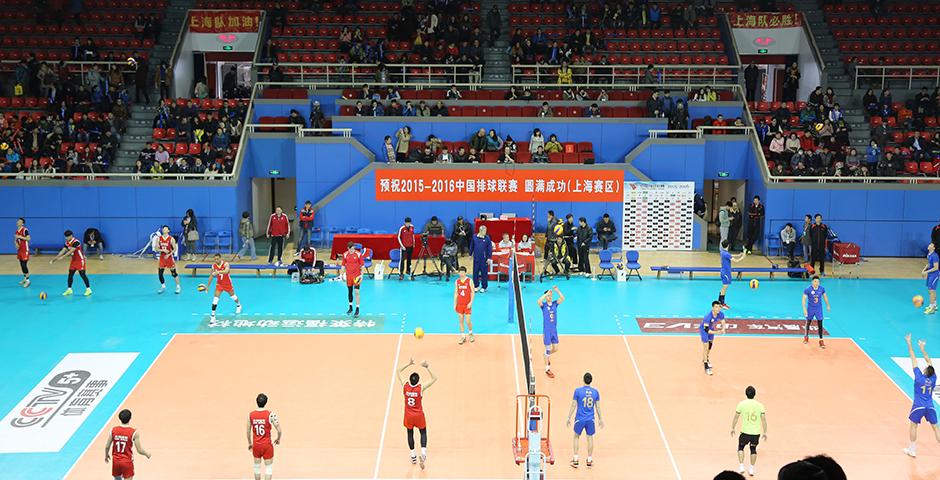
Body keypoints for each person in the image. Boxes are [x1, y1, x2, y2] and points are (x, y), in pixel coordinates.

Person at [397, 358, 438, 469]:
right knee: (423, 432)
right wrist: (427, 366)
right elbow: (435, 378)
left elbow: (398, 371)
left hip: (408, 416)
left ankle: (413, 456)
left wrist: (409, 363)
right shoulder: (421, 388)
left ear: (409, 380)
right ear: (418, 381)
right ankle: (423, 453)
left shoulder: (405, 386)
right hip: (419, 415)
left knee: (410, 433)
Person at [903, 334, 939, 458]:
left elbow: (913, 358)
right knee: (936, 428)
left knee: (913, 426)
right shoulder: (934, 378)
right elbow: (929, 361)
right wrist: (923, 348)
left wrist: (909, 343)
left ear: (924, 371)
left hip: (918, 406)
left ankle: (912, 449)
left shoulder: (919, 377)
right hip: (930, 406)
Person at [566, 372, 604, 468]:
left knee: (576, 437)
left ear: (583, 380)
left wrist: (568, 417)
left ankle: (575, 459)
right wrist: (600, 419)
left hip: (580, 419)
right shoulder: (596, 392)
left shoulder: (578, 391)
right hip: (590, 419)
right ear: (591, 381)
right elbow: (598, 407)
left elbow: (574, 404)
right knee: (590, 438)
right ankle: (589, 460)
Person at [730, 386, 767, 477]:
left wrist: (733, 428)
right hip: (755, 433)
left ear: (746, 394)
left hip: (745, 432)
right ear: (755, 394)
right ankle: (751, 468)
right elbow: (763, 420)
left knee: (741, 448)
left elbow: (736, 417)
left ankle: (741, 466)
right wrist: (765, 432)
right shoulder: (760, 405)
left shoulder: (741, 404)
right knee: (753, 450)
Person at [105, 409, 151, 480]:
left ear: (120, 418)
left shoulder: (113, 430)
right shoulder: (134, 432)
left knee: (117, 478)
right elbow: (139, 450)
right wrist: (147, 454)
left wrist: (106, 455)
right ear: (130, 418)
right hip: (127, 462)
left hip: (116, 461)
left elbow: (107, 446)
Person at [247, 393, 282, 480]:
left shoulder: (250, 415)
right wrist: (278, 439)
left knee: (257, 468)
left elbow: (248, 431)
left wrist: (250, 443)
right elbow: (279, 430)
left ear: (256, 402)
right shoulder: (271, 415)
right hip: (267, 446)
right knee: (268, 468)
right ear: (266, 402)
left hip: (256, 445)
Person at [50, 230, 91, 296]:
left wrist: (63, 257)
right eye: (65, 237)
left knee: (82, 274)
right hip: (73, 261)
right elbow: (63, 251)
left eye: (67, 236)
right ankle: (69, 289)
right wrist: (55, 258)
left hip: (80, 260)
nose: (66, 238)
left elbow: (71, 251)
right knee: (70, 275)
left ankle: (88, 289)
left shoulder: (76, 242)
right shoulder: (67, 243)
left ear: (71, 236)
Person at [537, 286, 565, 378]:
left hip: (554, 331)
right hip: (547, 331)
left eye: (551, 296)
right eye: (549, 296)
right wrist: (545, 294)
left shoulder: (554, 304)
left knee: (556, 348)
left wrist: (557, 290)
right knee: (548, 349)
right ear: (546, 296)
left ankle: (546, 355)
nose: (550, 297)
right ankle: (547, 368)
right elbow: (538, 301)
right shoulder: (543, 306)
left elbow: (562, 298)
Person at [207, 253, 242, 319]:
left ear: (220, 258)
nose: (216, 260)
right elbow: (211, 276)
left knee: (233, 296)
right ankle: (213, 315)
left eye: (217, 259)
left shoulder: (226, 264)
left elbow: (226, 271)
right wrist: (207, 286)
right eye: (215, 259)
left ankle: (239, 305)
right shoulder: (213, 266)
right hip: (219, 284)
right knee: (215, 299)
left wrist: (218, 272)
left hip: (227, 283)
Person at [801, 275, 831, 348]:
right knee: (808, 322)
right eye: (815, 281)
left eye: (818, 282)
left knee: (820, 324)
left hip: (818, 309)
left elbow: (825, 297)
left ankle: (821, 340)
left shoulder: (822, 289)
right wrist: (804, 309)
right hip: (810, 308)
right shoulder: (807, 289)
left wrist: (828, 305)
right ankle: (806, 336)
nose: (816, 283)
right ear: (812, 282)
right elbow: (804, 299)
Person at [701, 301, 727, 375]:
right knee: (705, 346)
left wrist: (723, 329)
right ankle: (706, 366)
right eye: (716, 307)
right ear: (712, 308)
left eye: (719, 307)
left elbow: (723, 321)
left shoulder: (720, 314)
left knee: (710, 344)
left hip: (711, 329)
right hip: (704, 330)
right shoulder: (708, 316)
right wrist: (717, 332)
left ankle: (706, 358)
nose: (718, 308)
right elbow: (706, 329)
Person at [717, 240, 746, 309]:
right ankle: (722, 304)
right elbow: (736, 261)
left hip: (724, 272)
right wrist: (743, 255)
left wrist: (738, 255)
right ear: (728, 245)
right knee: (725, 288)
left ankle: (719, 302)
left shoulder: (722, 252)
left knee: (723, 288)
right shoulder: (726, 254)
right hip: (726, 273)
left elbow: (730, 255)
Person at [340, 242, 364, 318]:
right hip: (348, 276)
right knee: (349, 291)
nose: (353, 250)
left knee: (357, 292)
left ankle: (357, 309)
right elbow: (343, 265)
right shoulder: (345, 254)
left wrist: (361, 275)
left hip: (356, 276)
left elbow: (362, 265)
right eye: (351, 249)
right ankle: (350, 307)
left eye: (354, 248)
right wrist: (341, 275)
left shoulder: (358, 254)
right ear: (348, 248)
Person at [156, 225, 180, 294]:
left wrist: (169, 254)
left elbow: (175, 249)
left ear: (168, 230)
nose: (164, 230)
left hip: (169, 258)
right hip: (162, 258)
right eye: (163, 229)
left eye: (165, 229)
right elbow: (156, 248)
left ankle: (178, 287)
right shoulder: (159, 238)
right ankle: (163, 286)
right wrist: (163, 250)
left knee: (174, 273)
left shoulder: (171, 239)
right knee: (160, 273)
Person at [454, 266, 474, 344]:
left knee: (468, 321)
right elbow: (456, 293)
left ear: (465, 273)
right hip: (459, 304)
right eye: (460, 272)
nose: (461, 274)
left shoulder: (469, 281)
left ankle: (471, 333)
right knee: (461, 320)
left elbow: (472, 292)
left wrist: (471, 302)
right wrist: (455, 304)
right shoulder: (457, 282)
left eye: (463, 272)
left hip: (467, 304)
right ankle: (463, 336)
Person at [469, 225, 492, 292]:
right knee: (475, 272)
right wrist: (470, 254)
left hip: (484, 259)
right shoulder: (474, 237)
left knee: (484, 273)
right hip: (476, 258)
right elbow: (472, 246)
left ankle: (484, 287)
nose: (485, 232)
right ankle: (476, 286)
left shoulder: (487, 238)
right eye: (484, 231)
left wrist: (489, 257)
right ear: (480, 231)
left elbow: (489, 248)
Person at [922, 243, 939, 314]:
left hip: (934, 275)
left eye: (931, 245)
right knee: (931, 290)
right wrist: (924, 270)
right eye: (929, 244)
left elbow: (936, 267)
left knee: (932, 291)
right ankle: (934, 305)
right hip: (930, 274)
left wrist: (926, 272)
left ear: (934, 248)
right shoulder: (929, 254)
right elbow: (929, 264)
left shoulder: (935, 256)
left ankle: (932, 309)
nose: (929, 245)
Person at [14, 218, 30, 288]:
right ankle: (24, 278)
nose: (18, 222)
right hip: (20, 250)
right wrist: (16, 244)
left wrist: (20, 236)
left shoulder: (25, 230)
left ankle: (28, 280)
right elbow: (15, 240)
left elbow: (28, 238)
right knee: (21, 264)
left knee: (24, 265)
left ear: (22, 223)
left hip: (25, 250)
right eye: (18, 221)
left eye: (19, 221)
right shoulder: (17, 231)